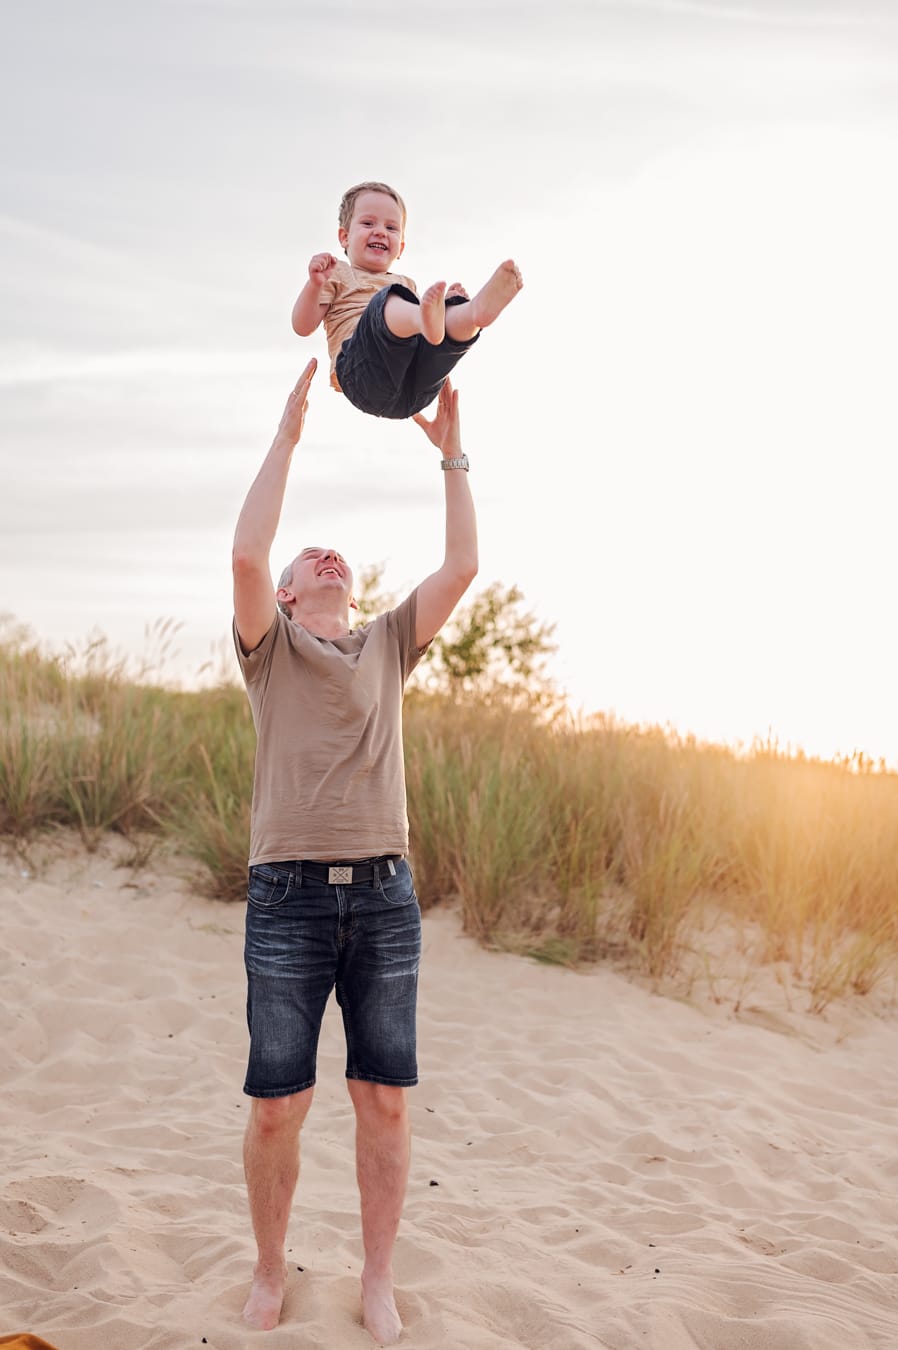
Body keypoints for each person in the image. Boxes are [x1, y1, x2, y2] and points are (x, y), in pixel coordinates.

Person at [230, 356, 478, 1344]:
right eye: (310, 561)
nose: (324, 558)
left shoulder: (384, 642)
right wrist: (288, 435)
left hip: (383, 897)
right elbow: (246, 556)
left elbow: (461, 570)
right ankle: (264, 1268)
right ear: (288, 600)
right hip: (286, 898)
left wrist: (451, 452)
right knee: (277, 1109)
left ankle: (376, 1278)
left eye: (336, 555)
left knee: (382, 1099)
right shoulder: (271, 650)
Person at [291, 179, 522, 420]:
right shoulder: (336, 272)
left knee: (437, 331)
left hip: (413, 390)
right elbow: (302, 326)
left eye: (391, 228)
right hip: (362, 374)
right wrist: (314, 284)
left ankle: (472, 315)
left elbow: (427, 336)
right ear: (344, 237)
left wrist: (444, 309)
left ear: (400, 247)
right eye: (368, 223)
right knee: (389, 301)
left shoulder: (406, 284)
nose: (380, 231)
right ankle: (441, 317)